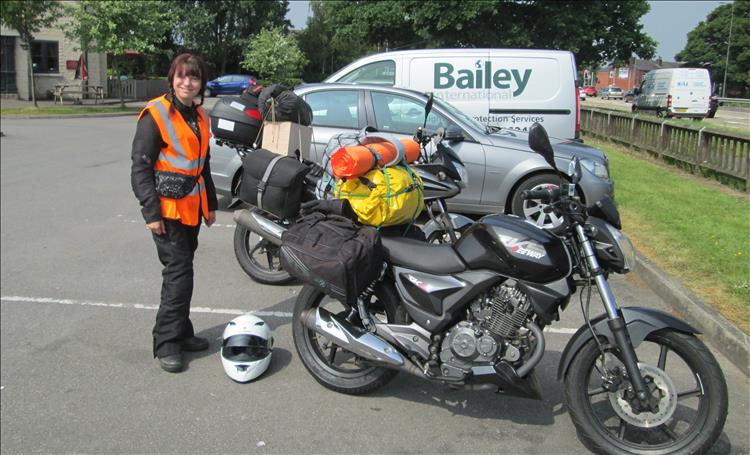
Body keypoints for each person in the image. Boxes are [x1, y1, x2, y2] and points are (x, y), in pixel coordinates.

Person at [130, 53, 217, 373]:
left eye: (194, 78)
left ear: (201, 84)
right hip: (166, 211)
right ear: (172, 78)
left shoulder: (200, 115)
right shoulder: (155, 114)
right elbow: (140, 167)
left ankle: (181, 331)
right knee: (178, 275)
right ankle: (166, 342)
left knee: (183, 272)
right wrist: (150, 212)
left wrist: (211, 205)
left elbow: (202, 164)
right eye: (182, 76)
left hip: (191, 208)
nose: (187, 83)